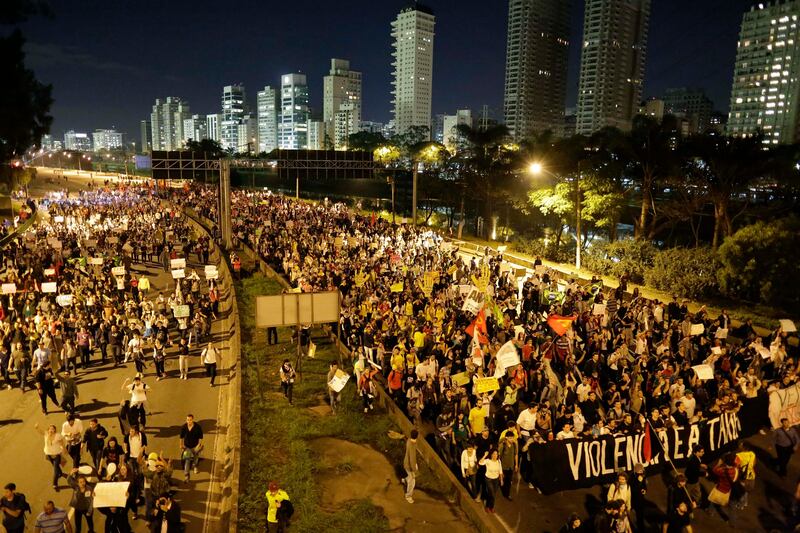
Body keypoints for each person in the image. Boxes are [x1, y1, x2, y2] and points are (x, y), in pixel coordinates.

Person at [34, 423, 66, 491]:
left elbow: (62, 442)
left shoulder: (58, 436)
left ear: (55, 430)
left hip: (56, 455)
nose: (51, 430)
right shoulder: (46, 434)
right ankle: (60, 473)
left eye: (53, 429)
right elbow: (40, 432)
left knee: (55, 470)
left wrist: (64, 449)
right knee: (55, 466)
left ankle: (55, 484)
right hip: (48, 454)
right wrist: (37, 427)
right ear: (48, 430)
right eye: (50, 429)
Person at [66, 469, 95, 533]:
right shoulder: (76, 487)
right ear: (78, 483)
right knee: (78, 525)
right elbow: (69, 480)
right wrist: (71, 473)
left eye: (83, 481)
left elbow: (91, 501)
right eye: (80, 482)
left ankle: (91, 531)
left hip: (86, 509)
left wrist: (90, 511)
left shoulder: (89, 488)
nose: (82, 483)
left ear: (85, 481)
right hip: (78, 509)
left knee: (90, 523)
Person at [179, 414, 204, 483]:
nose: (189, 421)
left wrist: (199, 445)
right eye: (187, 420)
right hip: (187, 447)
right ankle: (187, 476)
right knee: (187, 460)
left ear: (193, 420)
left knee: (196, 458)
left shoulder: (197, 427)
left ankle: (195, 466)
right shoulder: (184, 427)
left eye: (190, 420)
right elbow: (181, 437)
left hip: (195, 446)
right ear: (186, 420)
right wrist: (181, 445)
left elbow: (201, 437)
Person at [479, 449, 503, 514]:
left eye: (496, 454)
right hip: (488, 479)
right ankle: (487, 507)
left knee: (492, 495)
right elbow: (480, 463)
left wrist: (501, 480)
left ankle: (491, 507)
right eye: (494, 454)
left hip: (496, 480)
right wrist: (485, 455)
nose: (495, 455)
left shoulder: (499, 461)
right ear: (491, 454)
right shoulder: (488, 461)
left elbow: (500, 471)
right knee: (492, 494)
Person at [498, 431, 518, 500]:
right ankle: (503, 491)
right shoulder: (502, 445)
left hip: (511, 466)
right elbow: (499, 457)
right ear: (506, 438)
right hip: (503, 467)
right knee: (503, 480)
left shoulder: (514, 445)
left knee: (509, 481)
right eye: (510, 438)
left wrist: (516, 465)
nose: (511, 439)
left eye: (512, 438)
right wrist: (499, 468)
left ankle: (507, 494)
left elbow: (515, 454)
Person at [403, 429, 419, 504]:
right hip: (410, 466)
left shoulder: (409, 441)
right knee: (412, 482)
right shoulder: (412, 445)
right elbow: (412, 460)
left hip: (406, 463)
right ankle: (408, 496)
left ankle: (405, 480)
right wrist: (415, 472)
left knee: (410, 477)